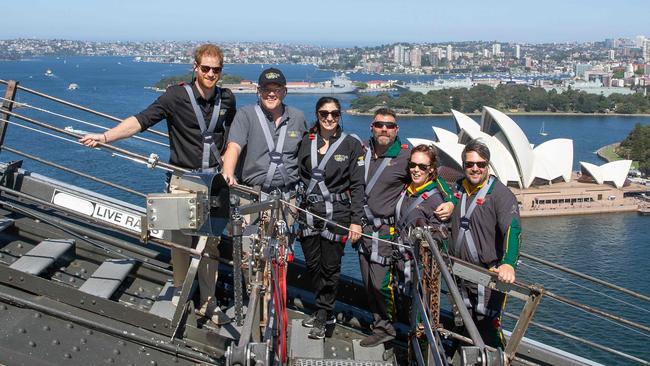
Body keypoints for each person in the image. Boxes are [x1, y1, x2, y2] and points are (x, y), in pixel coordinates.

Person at [80, 44, 236, 325]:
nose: (211, 74)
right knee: (180, 241)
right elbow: (141, 120)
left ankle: (209, 302)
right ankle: (181, 289)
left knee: (210, 244)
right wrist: (106, 137)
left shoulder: (227, 99)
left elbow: (233, 138)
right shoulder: (176, 96)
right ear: (195, 68)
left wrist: (228, 168)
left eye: (216, 70)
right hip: (182, 179)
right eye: (206, 69)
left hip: (212, 181)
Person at [358, 108, 456, 347]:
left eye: (389, 125)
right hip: (364, 230)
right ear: (372, 127)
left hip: (387, 236)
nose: (384, 128)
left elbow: (437, 179)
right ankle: (385, 325)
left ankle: (388, 329)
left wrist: (451, 200)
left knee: (383, 284)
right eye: (379, 124)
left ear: (396, 129)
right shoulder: (362, 150)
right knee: (369, 283)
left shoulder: (404, 156)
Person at [296, 97, 364, 339]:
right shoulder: (306, 141)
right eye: (324, 113)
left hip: (338, 213)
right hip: (308, 212)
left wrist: (356, 220)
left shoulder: (350, 145)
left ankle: (324, 314)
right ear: (317, 114)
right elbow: (296, 173)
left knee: (330, 267)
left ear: (340, 115)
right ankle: (322, 307)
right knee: (313, 265)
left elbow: (357, 185)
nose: (329, 118)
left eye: (334, 114)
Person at [450, 138, 521, 349]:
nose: (475, 168)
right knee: (463, 322)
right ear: (463, 166)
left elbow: (513, 229)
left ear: (487, 165)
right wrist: (448, 202)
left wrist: (508, 263)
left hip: (487, 275)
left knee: (488, 327)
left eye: (480, 164)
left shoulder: (500, 195)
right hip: (459, 273)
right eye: (469, 164)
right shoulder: (458, 188)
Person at [221, 68, 306, 194]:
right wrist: (228, 172)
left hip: (289, 196)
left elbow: (306, 152)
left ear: (284, 92)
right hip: (255, 194)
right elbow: (234, 146)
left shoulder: (297, 117)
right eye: (266, 89)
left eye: (276, 90)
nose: (271, 94)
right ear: (259, 91)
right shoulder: (246, 115)